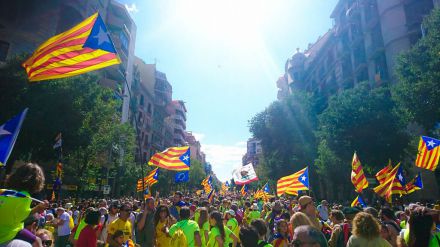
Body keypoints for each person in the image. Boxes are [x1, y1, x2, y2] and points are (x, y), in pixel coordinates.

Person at [0, 163, 48, 245]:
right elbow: (22, 218)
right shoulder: (24, 197)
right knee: (38, 241)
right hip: (6, 235)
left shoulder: (3, 192)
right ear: (36, 182)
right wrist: (37, 208)